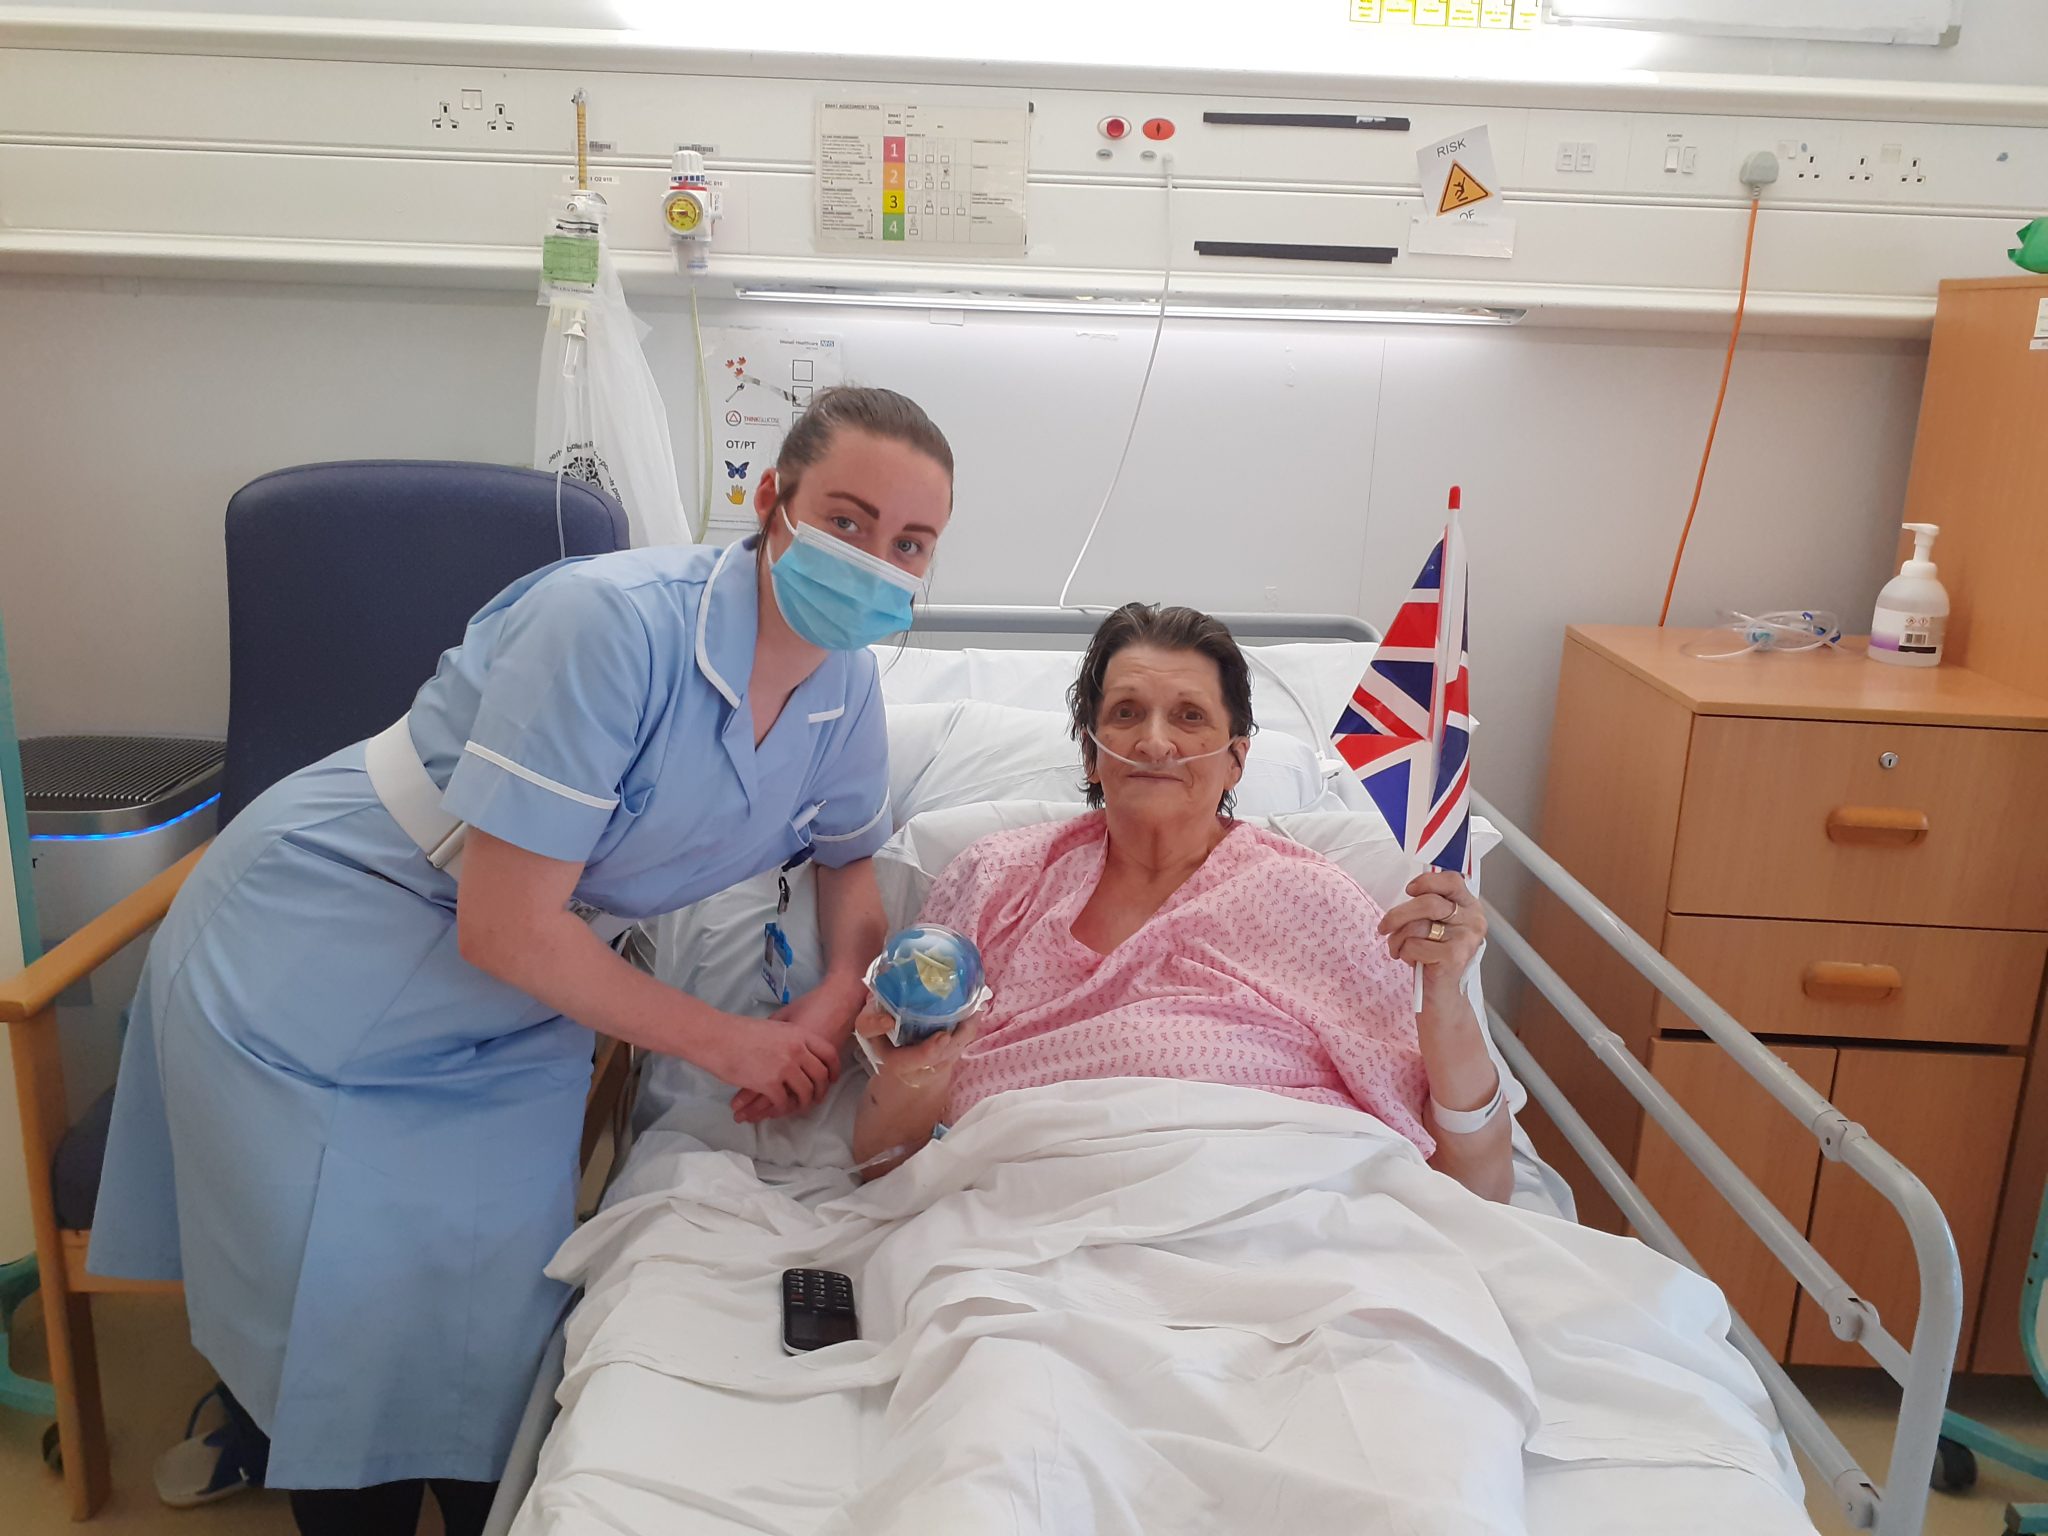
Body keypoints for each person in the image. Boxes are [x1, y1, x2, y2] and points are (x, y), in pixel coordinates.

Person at [87, 386, 955, 1534]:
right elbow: (500, 923)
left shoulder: (842, 687)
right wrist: (734, 1038)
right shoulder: (611, 623)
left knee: (488, 1325)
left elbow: (848, 864)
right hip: (325, 938)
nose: (873, 561)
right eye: (846, 520)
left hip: (525, 989)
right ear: (770, 500)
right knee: (340, 1310)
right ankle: (298, 1448)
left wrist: (829, 1004)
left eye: (909, 545)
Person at [851, 602, 1512, 1202]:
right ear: (1090, 752)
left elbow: (1477, 1185)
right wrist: (917, 1072)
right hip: (1033, 1219)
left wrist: (1447, 992)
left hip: (1290, 1220)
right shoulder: (995, 881)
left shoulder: (1317, 902)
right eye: (1126, 713)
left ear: (1237, 760)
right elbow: (882, 1165)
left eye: (1190, 717)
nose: (1156, 742)